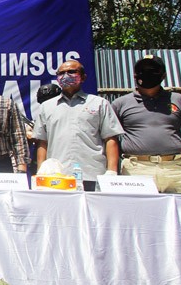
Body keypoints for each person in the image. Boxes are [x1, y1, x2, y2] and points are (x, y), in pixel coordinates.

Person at [112, 55, 181, 193]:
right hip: (136, 168)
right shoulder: (120, 104)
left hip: (175, 169)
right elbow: (110, 137)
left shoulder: (179, 100)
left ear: (163, 75)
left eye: (153, 70)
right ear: (135, 75)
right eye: (143, 70)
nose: (147, 74)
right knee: (137, 212)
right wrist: (124, 156)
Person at [33, 60, 124, 191]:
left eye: (71, 72)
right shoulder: (46, 107)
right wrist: (41, 172)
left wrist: (112, 171)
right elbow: (42, 142)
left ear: (83, 77)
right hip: (57, 177)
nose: (66, 76)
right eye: (61, 73)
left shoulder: (99, 104)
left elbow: (110, 138)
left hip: (92, 174)